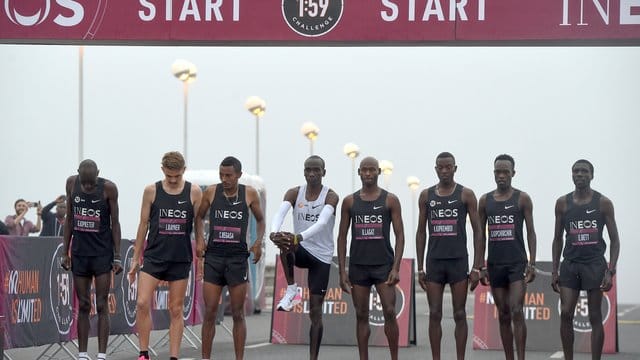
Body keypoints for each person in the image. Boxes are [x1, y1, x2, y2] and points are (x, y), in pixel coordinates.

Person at [128, 152, 202, 360]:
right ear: (163, 170)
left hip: (180, 258)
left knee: (175, 309)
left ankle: (174, 356)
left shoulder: (194, 192)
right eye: (169, 176)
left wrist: (201, 257)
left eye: (176, 176)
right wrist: (135, 259)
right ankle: (143, 353)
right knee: (142, 302)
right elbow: (143, 224)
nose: (172, 180)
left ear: (183, 171)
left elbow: (199, 226)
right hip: (154, 257)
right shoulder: (151, 191)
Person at [269, 155, 339, 360]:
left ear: (323, 172)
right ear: (304, 171)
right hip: (301, 249)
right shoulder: (294, 192)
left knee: (315, 312)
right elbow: (279, 214)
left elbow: (323, 223)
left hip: (321, 256)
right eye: (308, 170)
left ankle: (313, 357)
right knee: (284, 240)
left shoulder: (331, 196)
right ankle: (292, 290)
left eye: (316, 170)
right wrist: (274, 232)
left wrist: (298, 237)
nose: (312, 174)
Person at [195, 156, 265, 360]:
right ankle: (205, 358)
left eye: (229, 175)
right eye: (221, 175)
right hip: (214, 257)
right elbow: (198, 217)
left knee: (237, 313)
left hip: (237, 258)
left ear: (239, 175)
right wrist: (200, 239)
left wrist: (258, 242)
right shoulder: (211, 192)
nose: (224, 179)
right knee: (210, 312)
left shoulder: (249, 193)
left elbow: (260, 220)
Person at [415, 151, 483, 360]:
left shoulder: (466, 195)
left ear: (455, 168)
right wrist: (420, 267)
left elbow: (478, 231)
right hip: (434, 262)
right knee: (434, 314)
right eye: (440, 167)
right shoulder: (426, 195)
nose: (444, 171)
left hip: (458, 262)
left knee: (460, 314)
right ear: (436, 169)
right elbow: (420, 231)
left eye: (448, 167)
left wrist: (476, 267)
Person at [337, 156, 405, 360]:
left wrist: (396, 267)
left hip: (383, 266)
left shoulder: (390, 199)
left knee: (390, 312)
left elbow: (400, 235)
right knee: (361, 316)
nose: (368, 173)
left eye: (372, 170)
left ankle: (394, 357)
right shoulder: (350, 201)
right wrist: (342, 271)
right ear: (359, 172)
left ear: (379, 172)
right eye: (364, 170)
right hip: (359, 267)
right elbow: (342, 237)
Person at [551, 159, 620, 360]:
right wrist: (555, 270)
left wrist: (610, 271)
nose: (579, 174)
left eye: (584, 171)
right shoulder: (562, 203)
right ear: (571, 175)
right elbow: (557, 239)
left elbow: (615, 241)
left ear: (592, 175)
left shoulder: (603, 203)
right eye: (575, 171)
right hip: (570, 265)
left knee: (595, 316)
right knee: (565, 313)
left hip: (595, 265)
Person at [477, 154, 537, 360]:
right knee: (503, 313)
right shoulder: (485, 200)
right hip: (495, 264)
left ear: (513, 173)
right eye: (497, 172)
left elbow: (530, 232)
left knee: (517, 310)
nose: (501, 176)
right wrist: (480, 266)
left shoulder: (522, 199)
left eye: (505, 172)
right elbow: (480, 236)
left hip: (516, 264)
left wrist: (532, 263)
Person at [62, 159, 122, 360]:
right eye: (84, 183)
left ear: (98, 173)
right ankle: (82, 354)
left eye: (91, 183)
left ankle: (102, 354)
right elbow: (69, 219)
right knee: (84, 304)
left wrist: (118, 256)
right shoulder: (71, 183)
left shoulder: (109, 189)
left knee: (102, 303)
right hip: (80, 253)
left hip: (102, 254)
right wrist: (65, 252)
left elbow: (115, 223)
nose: (87, 187)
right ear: (77, 173)